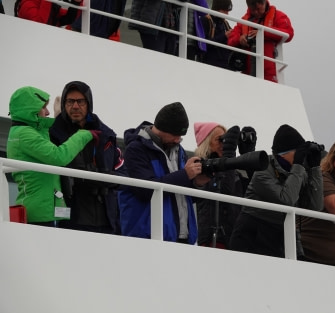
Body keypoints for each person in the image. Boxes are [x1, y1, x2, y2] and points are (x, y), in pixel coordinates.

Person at [118, 102, 211, 243]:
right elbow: (146, 190)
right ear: (161, 128)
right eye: (175, 134)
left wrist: (198, 183)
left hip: (181, 237)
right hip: (147, 237)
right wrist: (185, 175)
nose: (178, 139)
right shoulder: (135, 150)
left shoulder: (179, 151)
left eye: (181, 136)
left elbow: (183, 196)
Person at [229, 124, 323, 258]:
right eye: (299, 152)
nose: (302, 156)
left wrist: (315, 168)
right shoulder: (263, 169)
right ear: (284, 154)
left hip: (279, 236)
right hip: (252, 236)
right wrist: (298, 165)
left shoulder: (298, 172)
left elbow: (316, 206)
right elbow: (286, 199)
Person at [7, 86, 94, 227]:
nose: (47, 112)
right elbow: (58, 156)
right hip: (39, 213)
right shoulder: (24, 134)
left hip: (45, 208)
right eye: (43, 108)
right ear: (30, 110)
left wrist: (59, 117)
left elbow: (46, 131)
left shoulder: (24, 132)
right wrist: (84, 134)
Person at [49, 81, 124, 234]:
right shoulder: (55, 135)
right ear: (64, 104)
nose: (75, 106)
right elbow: (65, 171)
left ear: (88, 103)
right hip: (71, 217)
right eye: (70, 101)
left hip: (108, 219)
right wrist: (102, 178)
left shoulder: (106, 134)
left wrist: (108, 178)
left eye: (80, 101)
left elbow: (125, 173)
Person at [193, 122, 244, 248]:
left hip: (233, 238)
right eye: (219, 140)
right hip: (211, 239)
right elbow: (224, 192)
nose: (224, 144)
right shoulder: (199, 168)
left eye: (226, 140)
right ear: (206, 142)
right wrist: (229, 154)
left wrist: (245, 152)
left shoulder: (234, 172)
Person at [227, 0, 294, 83]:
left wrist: (263, 33)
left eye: (258, 9)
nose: (256, 12)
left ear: (263, 3)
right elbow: (230, 40)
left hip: (269, 73)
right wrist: (240, 39)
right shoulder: (244, 20)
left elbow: (289, 34)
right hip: (247, 72)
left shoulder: (278, 16)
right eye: (253, 9)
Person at [201, 0, 233, 69]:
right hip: (210, 63)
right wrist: (224, 36)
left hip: (226, 64)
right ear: (218, 8)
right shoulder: (207, 20)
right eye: (225, 10)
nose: (227, 14)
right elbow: (204, 44)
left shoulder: (225, 23)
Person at [15, 0, 82, 27]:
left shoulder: (47, 4)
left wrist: (76, 2)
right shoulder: (26, 4)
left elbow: (68, 18)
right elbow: (40, 25)